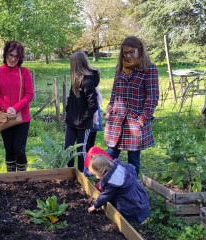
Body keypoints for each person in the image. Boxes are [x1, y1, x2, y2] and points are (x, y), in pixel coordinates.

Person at [104, 36, 159, 176]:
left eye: (131, 52)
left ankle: (132, 189)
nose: (128, 56)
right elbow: (114, 92)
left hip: (134, 122)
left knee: (133, 160)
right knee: (110, 157)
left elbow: (152, 98)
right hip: (116, 120)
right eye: (125, 52)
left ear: (140, 50)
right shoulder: (120, 68)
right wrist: (109, 110)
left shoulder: (149, 69)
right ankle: (108, 186)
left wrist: (142, 119)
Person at [0, 41, 33, 172]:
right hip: (4, 117)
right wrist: (6, 107)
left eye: (16, 56)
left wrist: (15, 108)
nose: (13, 59)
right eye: (10, 55)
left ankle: (21, 178)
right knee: (9, 149)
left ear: (20, 58)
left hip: (22, 117)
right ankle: (10, 179)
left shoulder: (24, 72)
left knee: (19, 149)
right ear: (5, 54)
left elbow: (29, 94)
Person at [87, 154, 150, 223]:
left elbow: (104, 196)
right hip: (137, 194)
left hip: (129, 201)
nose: (96, 177)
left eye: (96, 174)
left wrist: (95, 206)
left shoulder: (112, 182)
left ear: (101, 171)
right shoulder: (120, 168)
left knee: (128, 212)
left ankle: (129, 221)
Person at [64, 51, 99, 172]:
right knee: (67, 148)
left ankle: (82, 175)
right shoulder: (75, 80)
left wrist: (83, 119)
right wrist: (68, 111)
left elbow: (93, 105)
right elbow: (70, 97)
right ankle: (69, 172)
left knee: (81, 151)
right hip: (71, 122)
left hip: (83, 124)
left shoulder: (88, 82)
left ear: (76, 65)